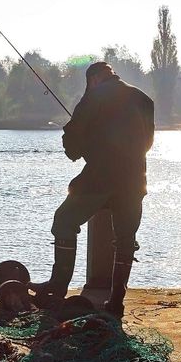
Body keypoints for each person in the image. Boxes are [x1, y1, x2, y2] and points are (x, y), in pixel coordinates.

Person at [31, 61, 154, 318]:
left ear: (93, 80)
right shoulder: (144, 99)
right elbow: (147, 143)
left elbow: (72, 146)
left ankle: (57, 287)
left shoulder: (93, 97)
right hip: (134, 180)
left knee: (64, 221)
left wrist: (85, 148)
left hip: (99, 178)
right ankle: (116, 299)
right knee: (125, 238)